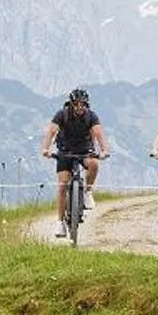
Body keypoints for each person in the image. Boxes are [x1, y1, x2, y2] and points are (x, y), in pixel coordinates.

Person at [39, 87, 109, 238]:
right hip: (65, 151)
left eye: (83, 104)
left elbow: (99, 133)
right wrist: (46, 149)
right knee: (63, 184)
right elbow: (51, 131)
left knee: (94, 164)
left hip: (85, 150)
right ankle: (60, 223)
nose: (80, 107)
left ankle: (87, 192)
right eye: (77, 104)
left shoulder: (91, 116)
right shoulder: (62, 115)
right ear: (71, 104)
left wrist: (104, 150)